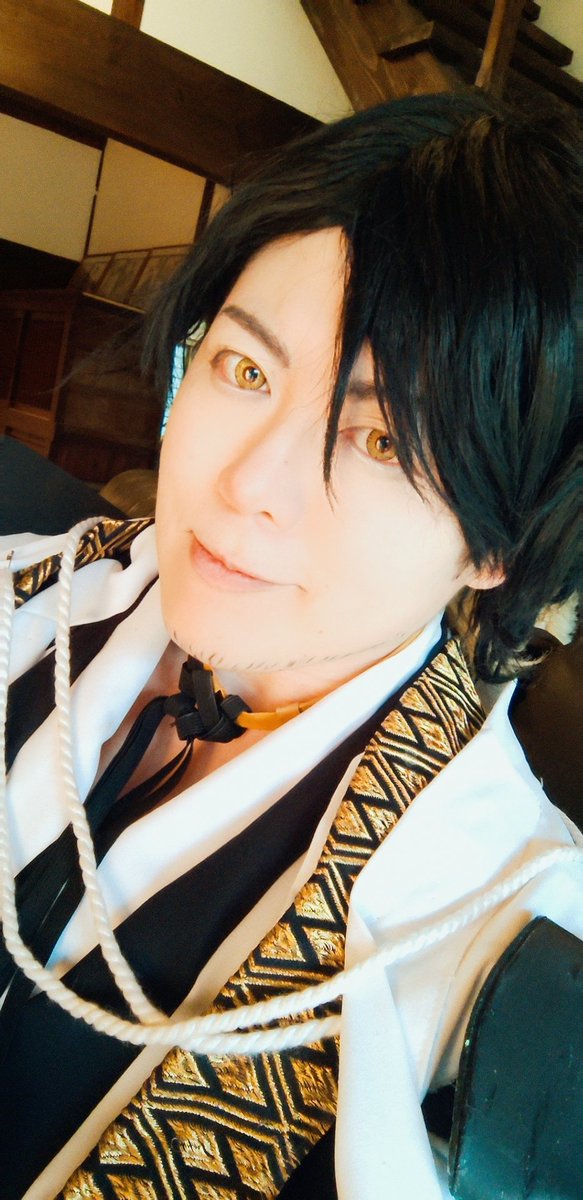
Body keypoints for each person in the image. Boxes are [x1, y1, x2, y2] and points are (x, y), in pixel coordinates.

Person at [0, 88, 581, 1200]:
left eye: (383, 439)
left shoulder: (500, 949)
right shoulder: (43, 592)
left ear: (495, 545)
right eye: (247, 370)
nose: (247, 484)